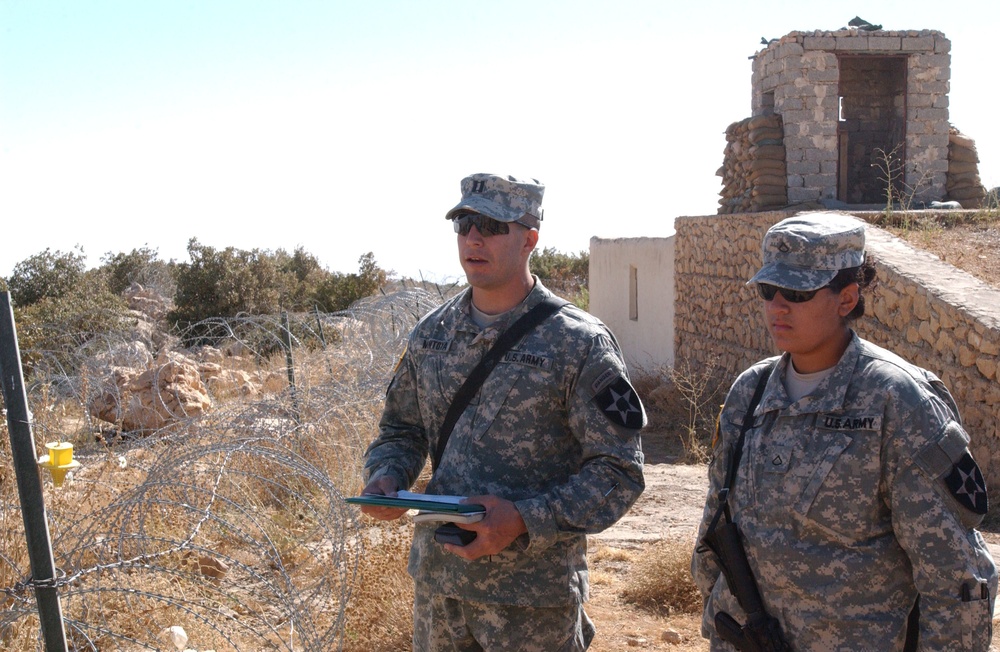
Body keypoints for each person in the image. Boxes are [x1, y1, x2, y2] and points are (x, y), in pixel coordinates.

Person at [359, 172, 646, 651]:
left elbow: (619, 473)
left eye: (492, 226)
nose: (473, 237)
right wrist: (388, 476)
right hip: (441, 592)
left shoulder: (577, 342)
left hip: (531, 605)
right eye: (464, 223)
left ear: (530, 239)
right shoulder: (432, 334)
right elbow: (400, 430)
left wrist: (523, 518)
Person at [691, 212, 998, 650]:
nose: (777, 306)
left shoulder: (898, 402)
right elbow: (714, 531)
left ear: (847, 296)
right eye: (767, 290)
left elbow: (955, 575)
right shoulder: (750, 393)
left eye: (797, 292)